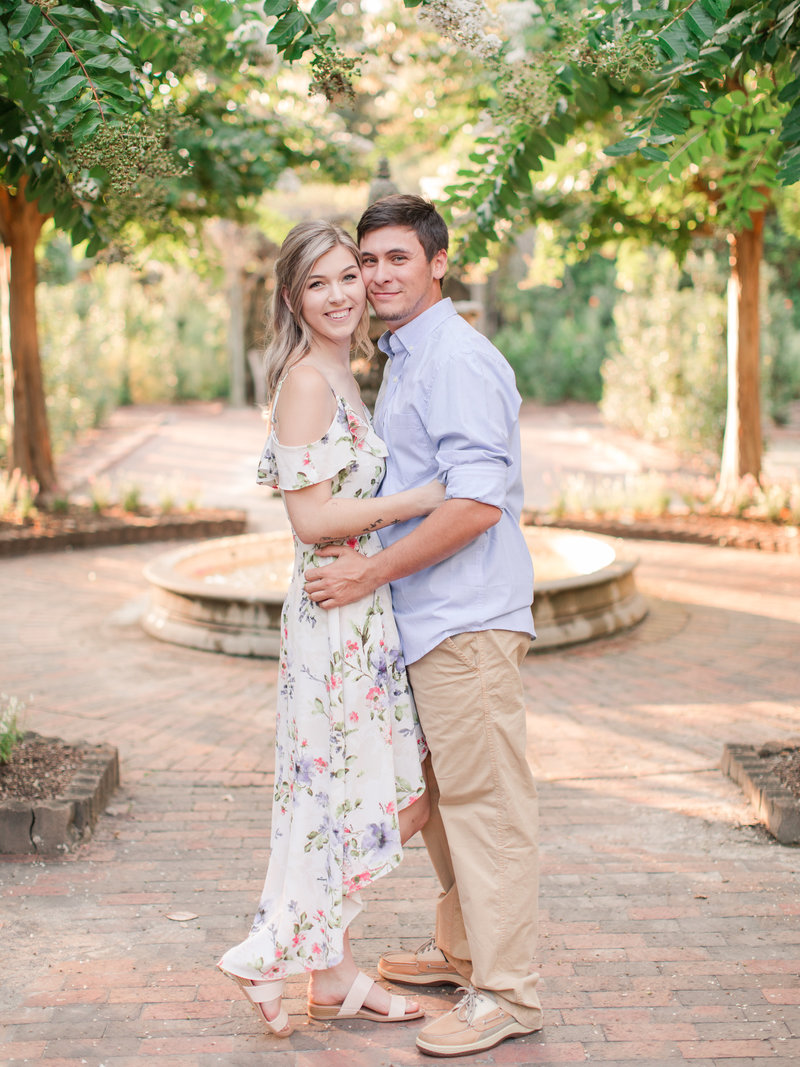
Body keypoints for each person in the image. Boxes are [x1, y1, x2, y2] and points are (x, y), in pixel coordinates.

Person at [303, 194, 542, 1058]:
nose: (376, 276)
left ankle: (508, 991)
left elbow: (476, 504)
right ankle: (464, 951)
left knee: (486, 807)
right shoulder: (408, 355)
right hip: (428, 623)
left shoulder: (455, 359)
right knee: (444, 806)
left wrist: (367, 570)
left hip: (467, 622)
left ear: (438, 262)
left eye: (396, 258)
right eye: (368, 262)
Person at [217, 220, 444, 1037]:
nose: (342, 293)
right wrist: (413, 502)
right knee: (342, 792)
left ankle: (320, 968)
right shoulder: (307, 381)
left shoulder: (346, 373)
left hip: (361, 607)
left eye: (350, 275)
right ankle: (286, 958)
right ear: (292, 298)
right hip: (332, 608)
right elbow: (310, 519)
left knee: (356, 792)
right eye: (319, 283)